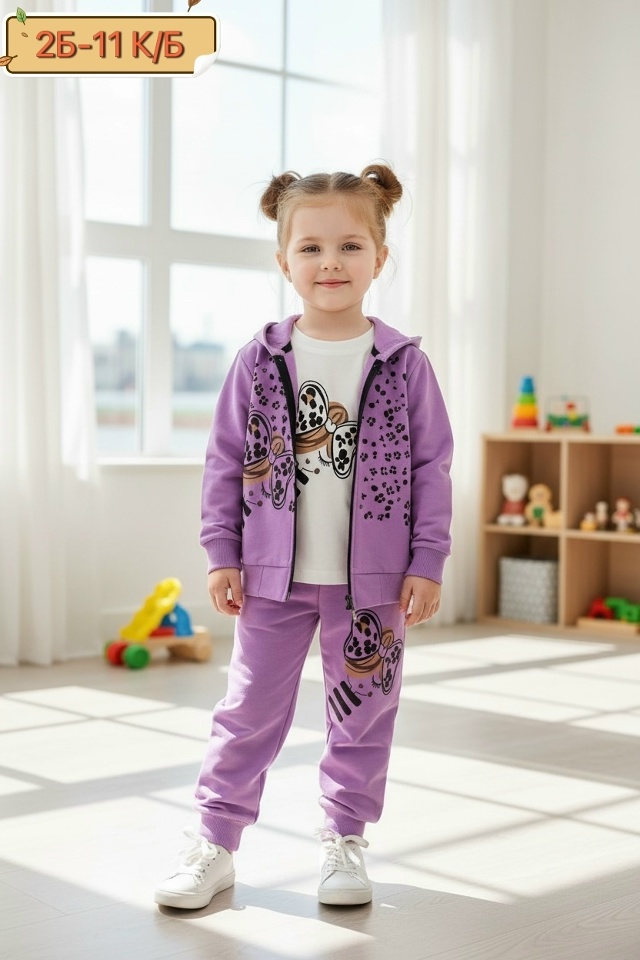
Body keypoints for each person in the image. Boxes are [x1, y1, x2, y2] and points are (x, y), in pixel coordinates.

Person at [154, 163, 453, 910]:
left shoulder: (405, 364)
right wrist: (222, 552)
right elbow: (225, 460)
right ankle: (216, 843)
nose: (330, 263)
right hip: (270, 579)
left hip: (374, 587)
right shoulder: (258, 360)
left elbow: (432, 467)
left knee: (363, 716)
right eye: (311, 247)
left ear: (379, 258)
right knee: (248, 712)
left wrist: (428, 561)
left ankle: (345, 840)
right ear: (284, 260)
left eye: (350, 246)